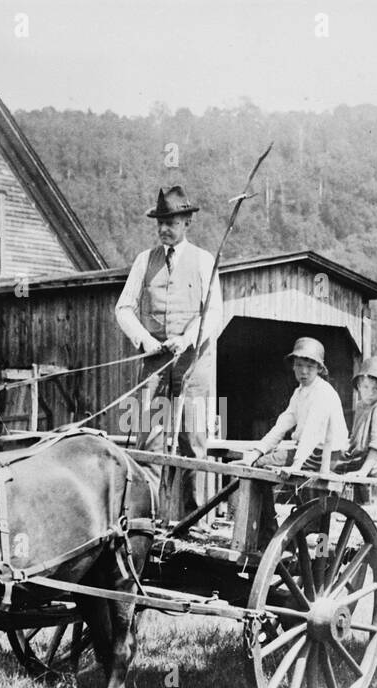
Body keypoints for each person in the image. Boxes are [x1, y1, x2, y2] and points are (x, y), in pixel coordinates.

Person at [114, 185, 223, 519]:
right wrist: (146, 341)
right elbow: (123, 308)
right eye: (161, 221)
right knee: (149, 439)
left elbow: (214, 313)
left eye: (172, 221)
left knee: (193, 441)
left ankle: (195, 520)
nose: (165, 227)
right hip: (156, 363)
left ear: (187, 221)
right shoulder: (144, 260)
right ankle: (146, 521)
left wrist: (188, 338)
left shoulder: (204, 260)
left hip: (194, 363)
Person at [240, 337, 349, 537]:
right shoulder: (300, 392)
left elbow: (312, 433)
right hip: (309, 450)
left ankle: (270, 534)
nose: (304, 371)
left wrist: (296, 465)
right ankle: (274, 530)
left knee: (261, 466)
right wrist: (255, 451)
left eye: (309, 366)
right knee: (257, 463)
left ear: (319, 368)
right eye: (299, 365)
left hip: (326, 454)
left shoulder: (323, 393)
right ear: (293, 367)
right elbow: (282, 425)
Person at [340, 356, 377, 478]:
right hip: (359, 458)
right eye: (366, 387)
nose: (370, 393)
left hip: (375, 464)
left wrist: (362, 472)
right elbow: (355, 437)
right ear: (359, 386)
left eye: (376, 389)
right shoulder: (361, 406)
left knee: (329, 465)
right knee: (326, 458)